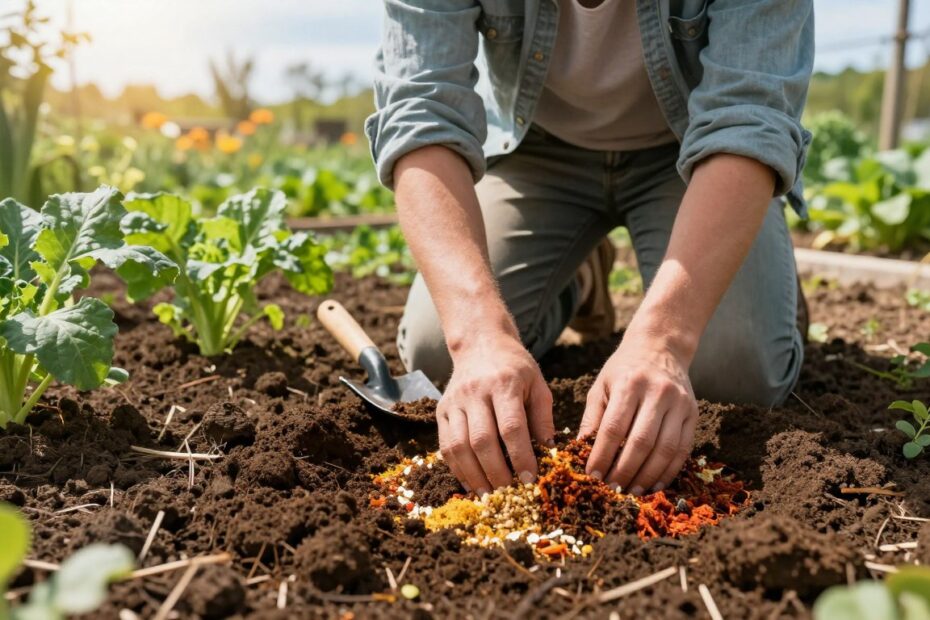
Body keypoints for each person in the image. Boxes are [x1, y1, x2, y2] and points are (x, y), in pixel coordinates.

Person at [365, 0, 814, 498]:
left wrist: (665, 339)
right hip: (535, 149)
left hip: (694, 154)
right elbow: (421, 114)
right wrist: (476, 337)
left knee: (733, 372)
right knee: (439, 355)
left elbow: (748, 122)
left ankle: (762, 283)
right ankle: (579, 277)